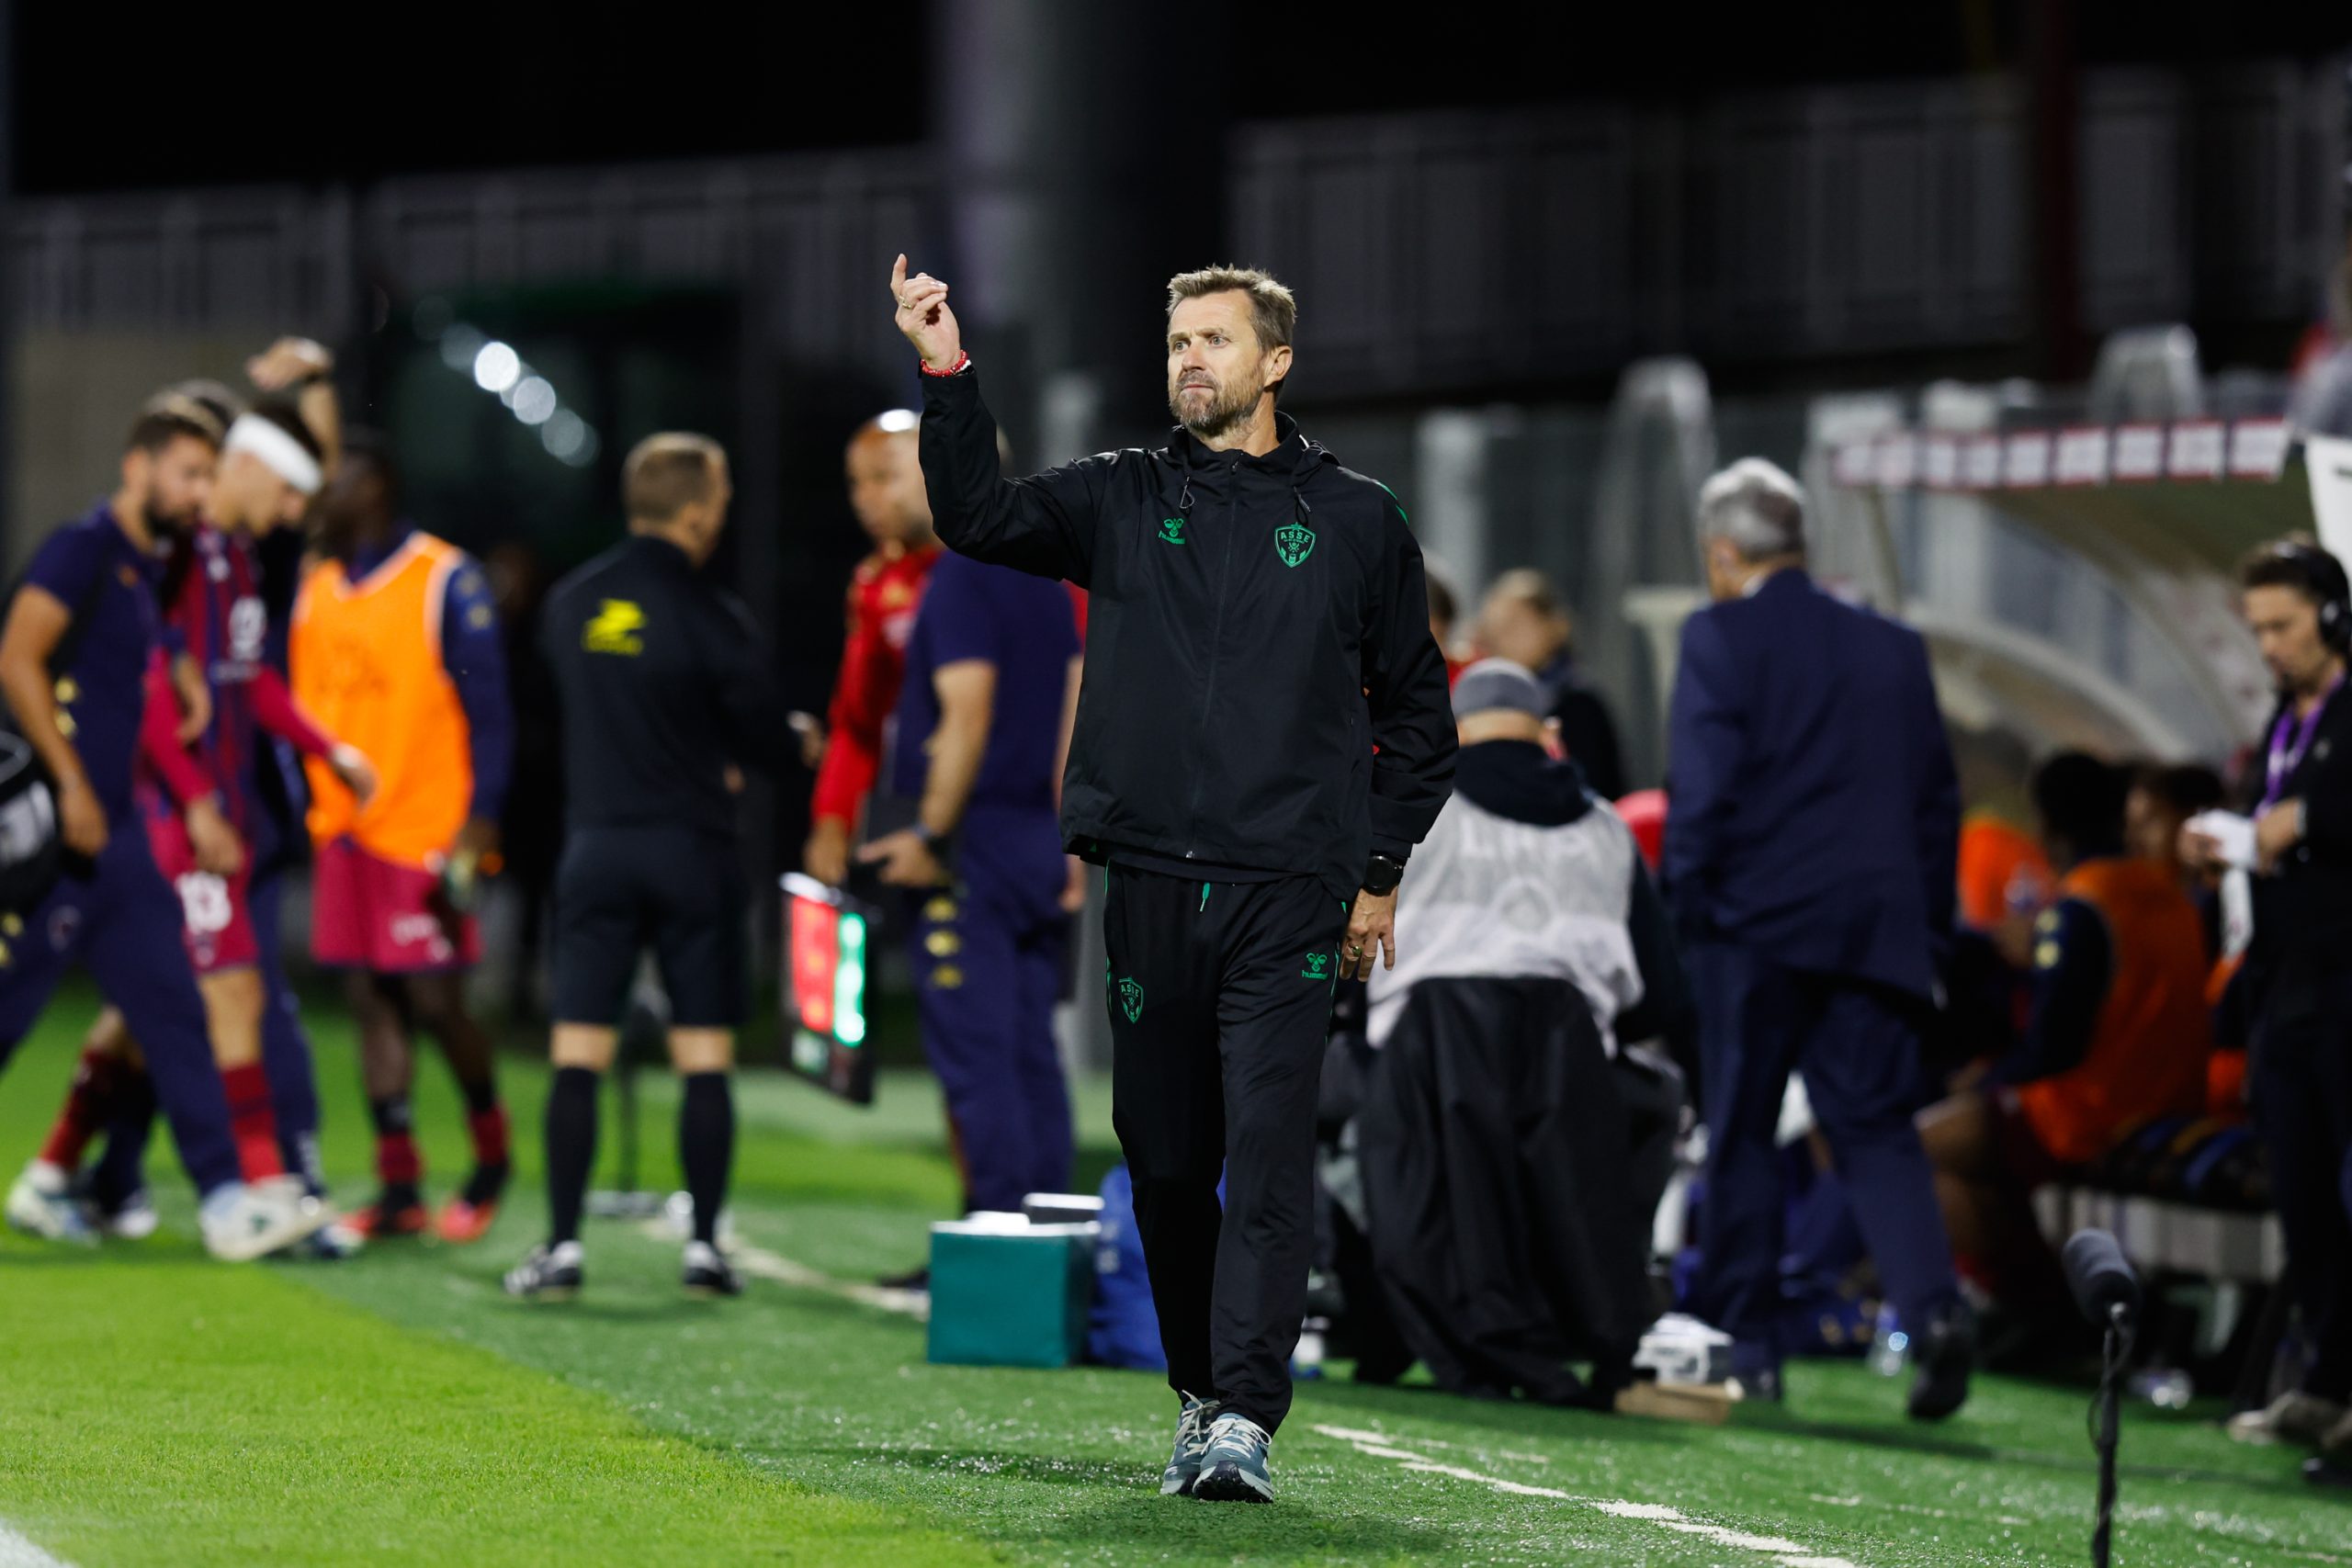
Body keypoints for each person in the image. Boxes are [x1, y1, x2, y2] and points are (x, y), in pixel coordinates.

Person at [891, 254, 1453, 1504]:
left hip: (1289, 893)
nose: (1188, 359)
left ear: (1275, 362)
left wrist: (1376, 872)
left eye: (1212, 339)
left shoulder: (1358, 517)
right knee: (1163, 1159)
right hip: (1147, 883)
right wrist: (944, 364)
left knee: (1264, 1149)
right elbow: (974, 514)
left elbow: (1421, 717)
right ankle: (1202, 1386)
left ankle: (1246, 1409)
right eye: (1176, 342)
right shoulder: (1120, 497)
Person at [11, 399, 377, 1245]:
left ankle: (179, 1186)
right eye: (288, 491)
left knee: (170, 1006)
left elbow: (230, 680)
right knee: (217, 997)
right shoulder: (136, 554)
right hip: (147, 821)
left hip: (160, 826)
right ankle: (252, 1182)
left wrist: (324, 746)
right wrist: (188, 798)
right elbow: (86, 677)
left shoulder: (210, 559)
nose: (294, 514)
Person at [1662, 457, 1972, 1419]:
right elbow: (1935, 806)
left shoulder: (1719, 636)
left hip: (1751, 929)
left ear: (1723, 553)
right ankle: (1934, 1313)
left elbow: (1702, 792)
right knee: (1876, 1132)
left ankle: (1749, 1346)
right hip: (1877, 931)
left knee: (1744, 1132)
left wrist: (1687, 906)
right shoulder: (1893, 647)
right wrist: (1922, 930)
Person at [1360, 659, 1691, 1404]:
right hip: (1569, 1063)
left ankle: (1390, 1326)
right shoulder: (1605, 826)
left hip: (1427, 1052)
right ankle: (1598, 1317)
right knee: (1650, 1105)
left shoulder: (1416, 800)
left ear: (1457, 726)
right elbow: (1662, 994)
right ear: (1547, 731)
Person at [505, 434, 781, 1302]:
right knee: (704, 1055)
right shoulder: (714, 615)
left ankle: (560, 1247)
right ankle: (703, 1247)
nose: (726, 510)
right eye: (723, 495)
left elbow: (558, 713)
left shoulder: (570, 601)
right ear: (695, 509)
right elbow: (761, 740)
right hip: (692, 851)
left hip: (595, 849)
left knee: (577, 1051)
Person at [289, 434, 514, 1242]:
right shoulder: (314, 588)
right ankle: (398, 1186)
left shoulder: (444, 578)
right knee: (369, 998)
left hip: (425, 825)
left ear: (377, 483)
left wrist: (480, 821)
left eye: (338, 476)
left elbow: (489, 712)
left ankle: (491, 1152)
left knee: (433, 998)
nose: (323, 491)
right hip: (342, 832)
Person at [1919, 752, 2211, 1326]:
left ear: (2048, 825)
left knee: (1909, 1153)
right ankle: (2041, 1297)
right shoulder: (2167, 896)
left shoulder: (2085, 904)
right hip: (2173, 1098)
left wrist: (1987, 1080)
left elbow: (2057, 1044)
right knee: (1978, 1154)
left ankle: (2030, 1303)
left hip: (2092, 1111)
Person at [855, 512, 1082, 1224]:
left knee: (979, 1060)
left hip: (972, 844)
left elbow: (968, 713)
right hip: (1036, 837)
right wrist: (1067, 837)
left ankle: (998, 1247)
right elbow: (1078, 701)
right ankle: (1051, 1249)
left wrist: (928, 830)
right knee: (1031, 1054)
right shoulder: (1047, 581)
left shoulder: (959, 575)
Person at [2185, 543, 2352, 1483]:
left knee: (2344, 1190)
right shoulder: (2284, 724)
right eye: (2256, 630)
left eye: (2282, 626)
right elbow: (2279, 828)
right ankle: (2327, 1380)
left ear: (2331, 616)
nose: (2268, 647)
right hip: (2283, 989)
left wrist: (2272, 831)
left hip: (2344, 989)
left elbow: (2318, 819)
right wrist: (2236, 844)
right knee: (2303, 1198)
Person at [803, 411, 943, 888]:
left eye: (883, 478)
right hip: (912, 811)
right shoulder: (876, 584)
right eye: (856, 483)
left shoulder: (1015, 563)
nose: (865, 498)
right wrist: (833, 819)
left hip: (1006, 816)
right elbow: (859, 718)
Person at [1476, 568, 1625, 799]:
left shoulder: (1579, 705)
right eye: (1493, 630)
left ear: (1554, 625)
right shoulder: (1483, 706)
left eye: (1514, 625)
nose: (1501, 639)